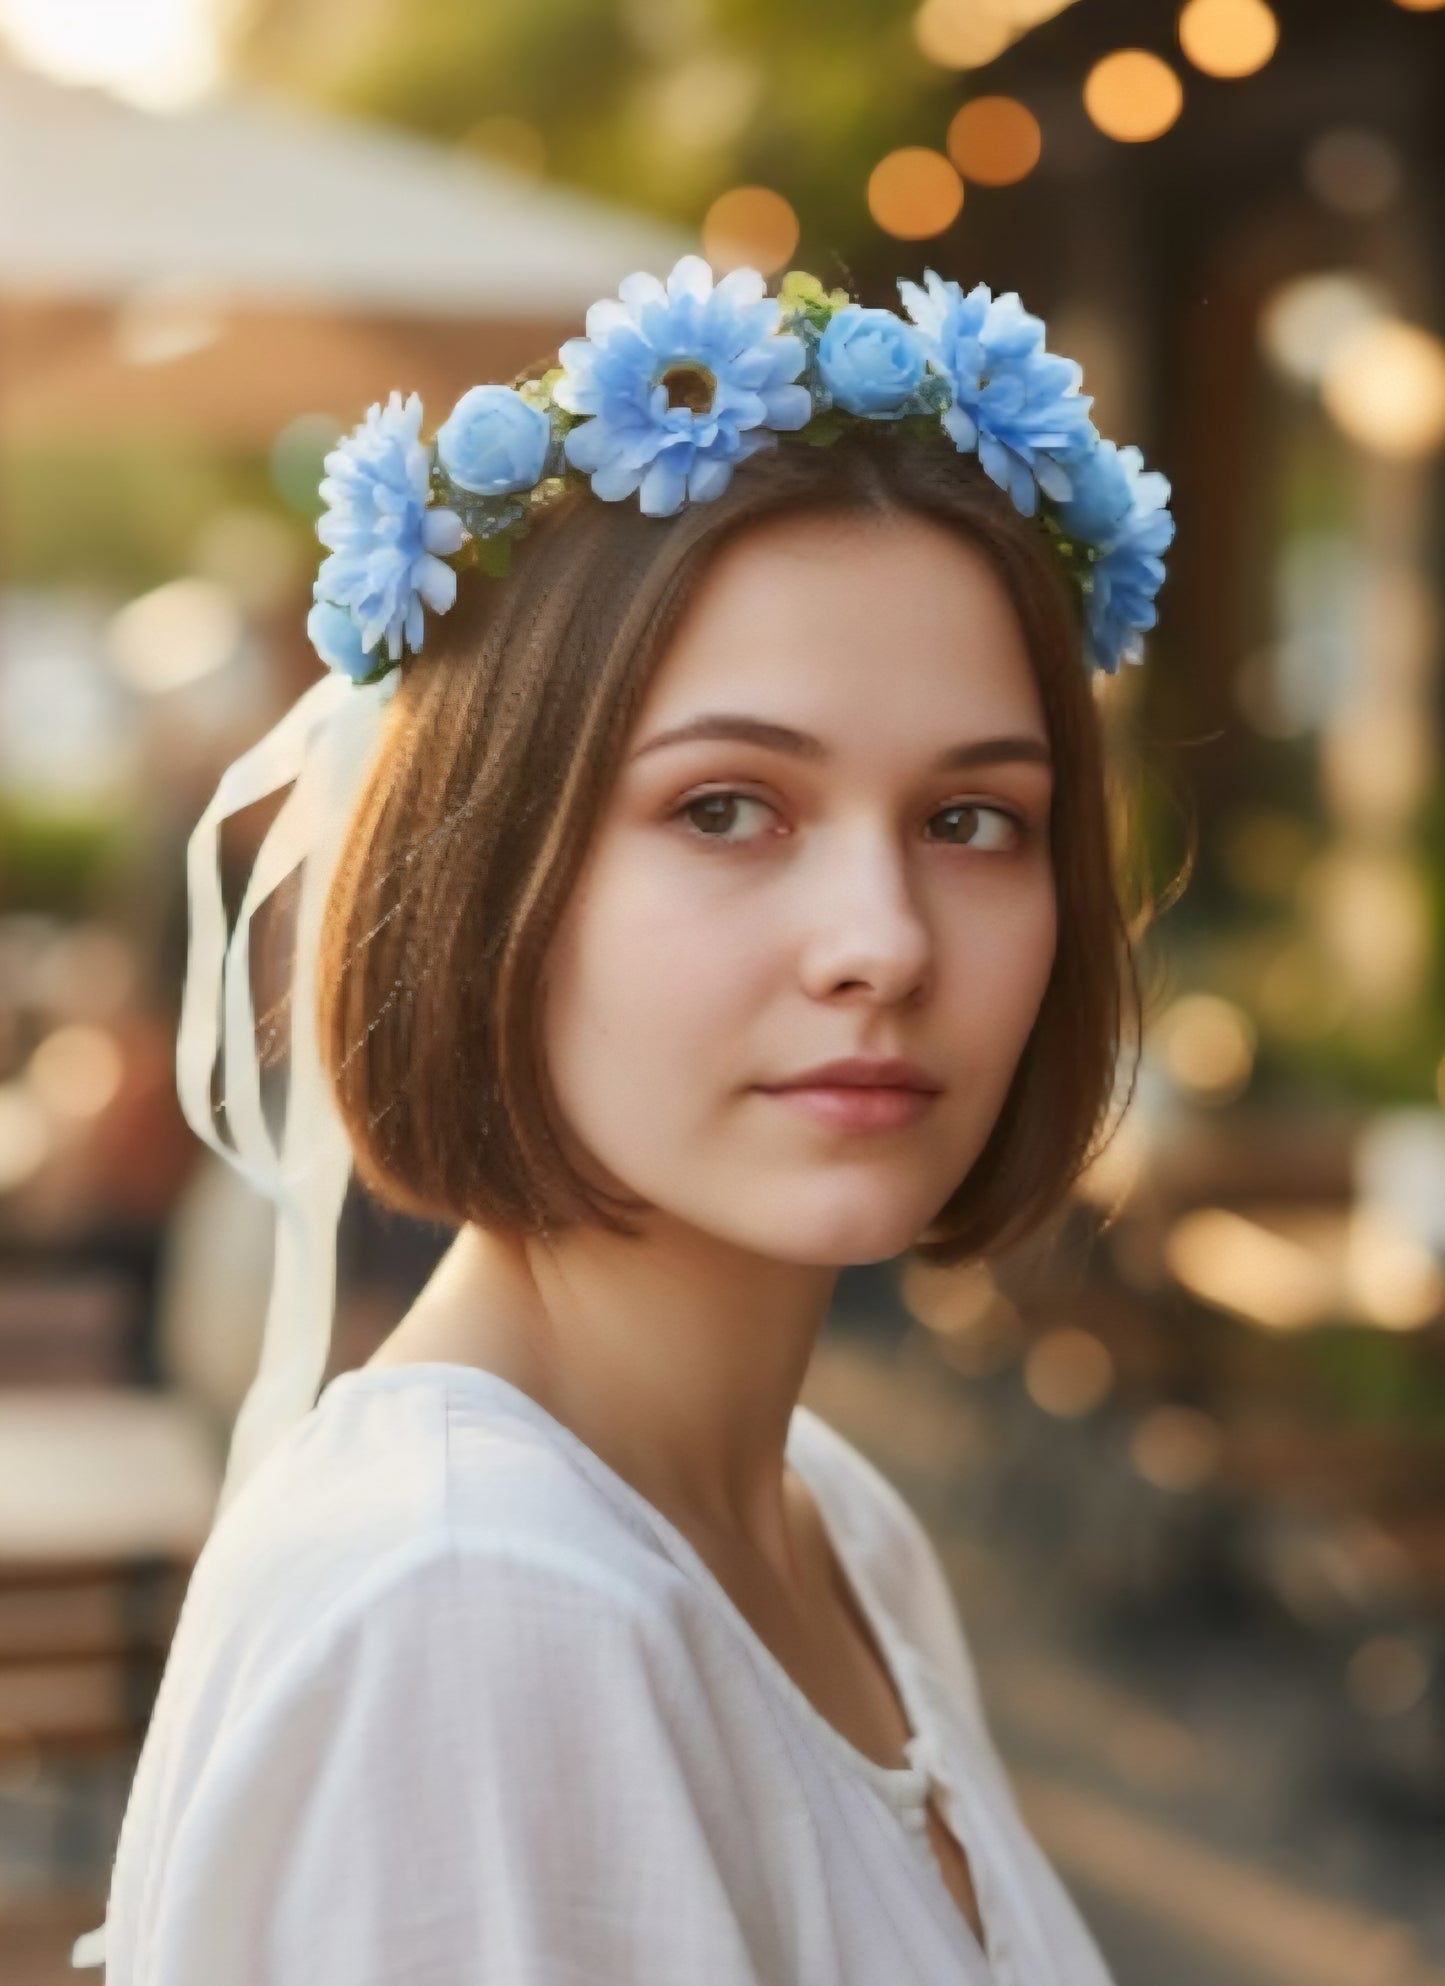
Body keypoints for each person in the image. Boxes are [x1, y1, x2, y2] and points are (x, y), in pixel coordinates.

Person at [77, 257, 1174, 1984]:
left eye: (973, 818)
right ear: (492, 860)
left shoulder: (831, 1515)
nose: (881, 939)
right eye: (727, 805)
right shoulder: (476, 1606)